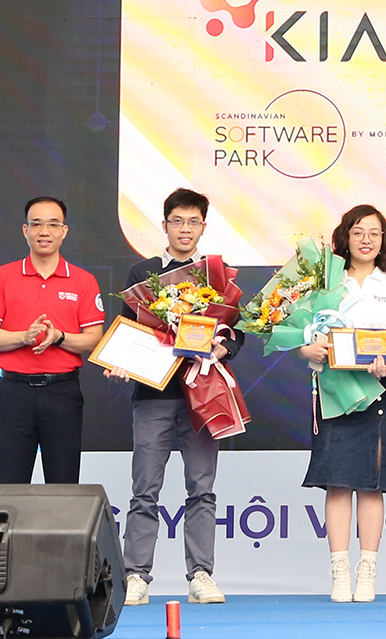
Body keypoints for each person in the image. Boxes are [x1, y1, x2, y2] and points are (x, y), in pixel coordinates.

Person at [115, 188, 239, 607]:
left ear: (203, 227)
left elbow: (235, 331)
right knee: (144, 490)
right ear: (164, 224)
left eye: (193, 222)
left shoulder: (215, 276)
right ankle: (135, 575)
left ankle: (201, 574)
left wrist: (222, 347)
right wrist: (121, 360)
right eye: (177, 221)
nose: (185, 229)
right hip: (153, 394)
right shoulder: (143, 273)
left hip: (201, 394)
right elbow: (129, 330)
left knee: (202, 489)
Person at [296, 205, 386, 603]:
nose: (366, 239)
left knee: (372, 482)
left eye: (374, 233)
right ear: (345, 236)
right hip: (334, 389)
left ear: (384, 241)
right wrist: (306, 350)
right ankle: (340, 571)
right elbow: (303, 333)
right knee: (337, 482)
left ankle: (368, 571)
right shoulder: (325, 282)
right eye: (358, 231)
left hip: (378, 389)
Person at [0, 196, 104, 485]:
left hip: (62, 393)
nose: (44, 231)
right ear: (25, 230)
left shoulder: (83, 281)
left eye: (53, 224)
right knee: (11, 485)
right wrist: (24, 337)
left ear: (64, 231)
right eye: (36, 224)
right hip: (14, 393)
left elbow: (94, 340)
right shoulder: (3, 276)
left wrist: (59, 337)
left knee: (63, 486)